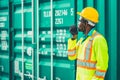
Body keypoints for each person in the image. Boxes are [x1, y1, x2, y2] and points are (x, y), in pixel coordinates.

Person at [67, 7, 109, 80]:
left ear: (86, 23)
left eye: (80, 20)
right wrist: (73, 38)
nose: (78, 23)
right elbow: (71, 56)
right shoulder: (82, 40)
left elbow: (102, 67)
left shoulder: (98, 39)